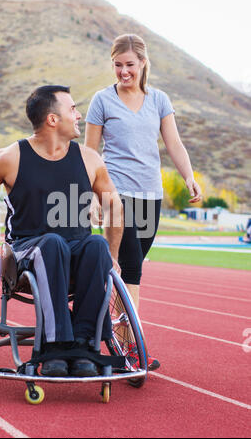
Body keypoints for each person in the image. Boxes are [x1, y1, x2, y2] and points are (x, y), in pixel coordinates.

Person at [0, 85, 124, 378]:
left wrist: (113, 255)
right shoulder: (11, 157)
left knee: (96, 246)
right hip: (25, 250)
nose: (79, 114)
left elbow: (114, 207)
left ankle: (85, 346)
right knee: (52, 243)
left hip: (76, 251)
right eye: (72, 109)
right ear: (52, 119)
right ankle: (56, 345)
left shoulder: (89, 159)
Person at [85, 34, 202, 370]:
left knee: (125, 273)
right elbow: (90, 154)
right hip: (115, 194)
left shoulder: (159, 100)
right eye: (118, 65)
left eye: (130, 65)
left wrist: (189, 176)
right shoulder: (102, 101)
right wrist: (93, 196)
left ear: (143, 63)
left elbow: (174, 143)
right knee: (132, 268)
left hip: (151, 196)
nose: (123, 71)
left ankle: (113, 339)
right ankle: (131, 351)